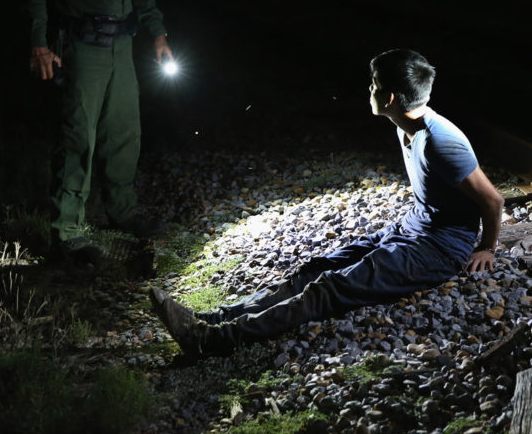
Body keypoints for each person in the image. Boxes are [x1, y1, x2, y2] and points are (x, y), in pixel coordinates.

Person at [149, 49, 505, 358]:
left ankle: (210, 340)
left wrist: (486, 247)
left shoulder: (442, 142)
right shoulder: (405, 123)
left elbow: (492, 198)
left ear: (391, 97)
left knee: (330, 287)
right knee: (313, 269)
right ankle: (219, 317)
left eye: (374, 83)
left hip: (439, 249)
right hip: (413, 228)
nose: (369, 89)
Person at [27, 0, 173, 258]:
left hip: (123, 47)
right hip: (82, 49)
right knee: (78, 136)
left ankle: (123, 211)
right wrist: (39, 43)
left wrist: (158, 34)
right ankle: (68, 230)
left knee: (124, 132)